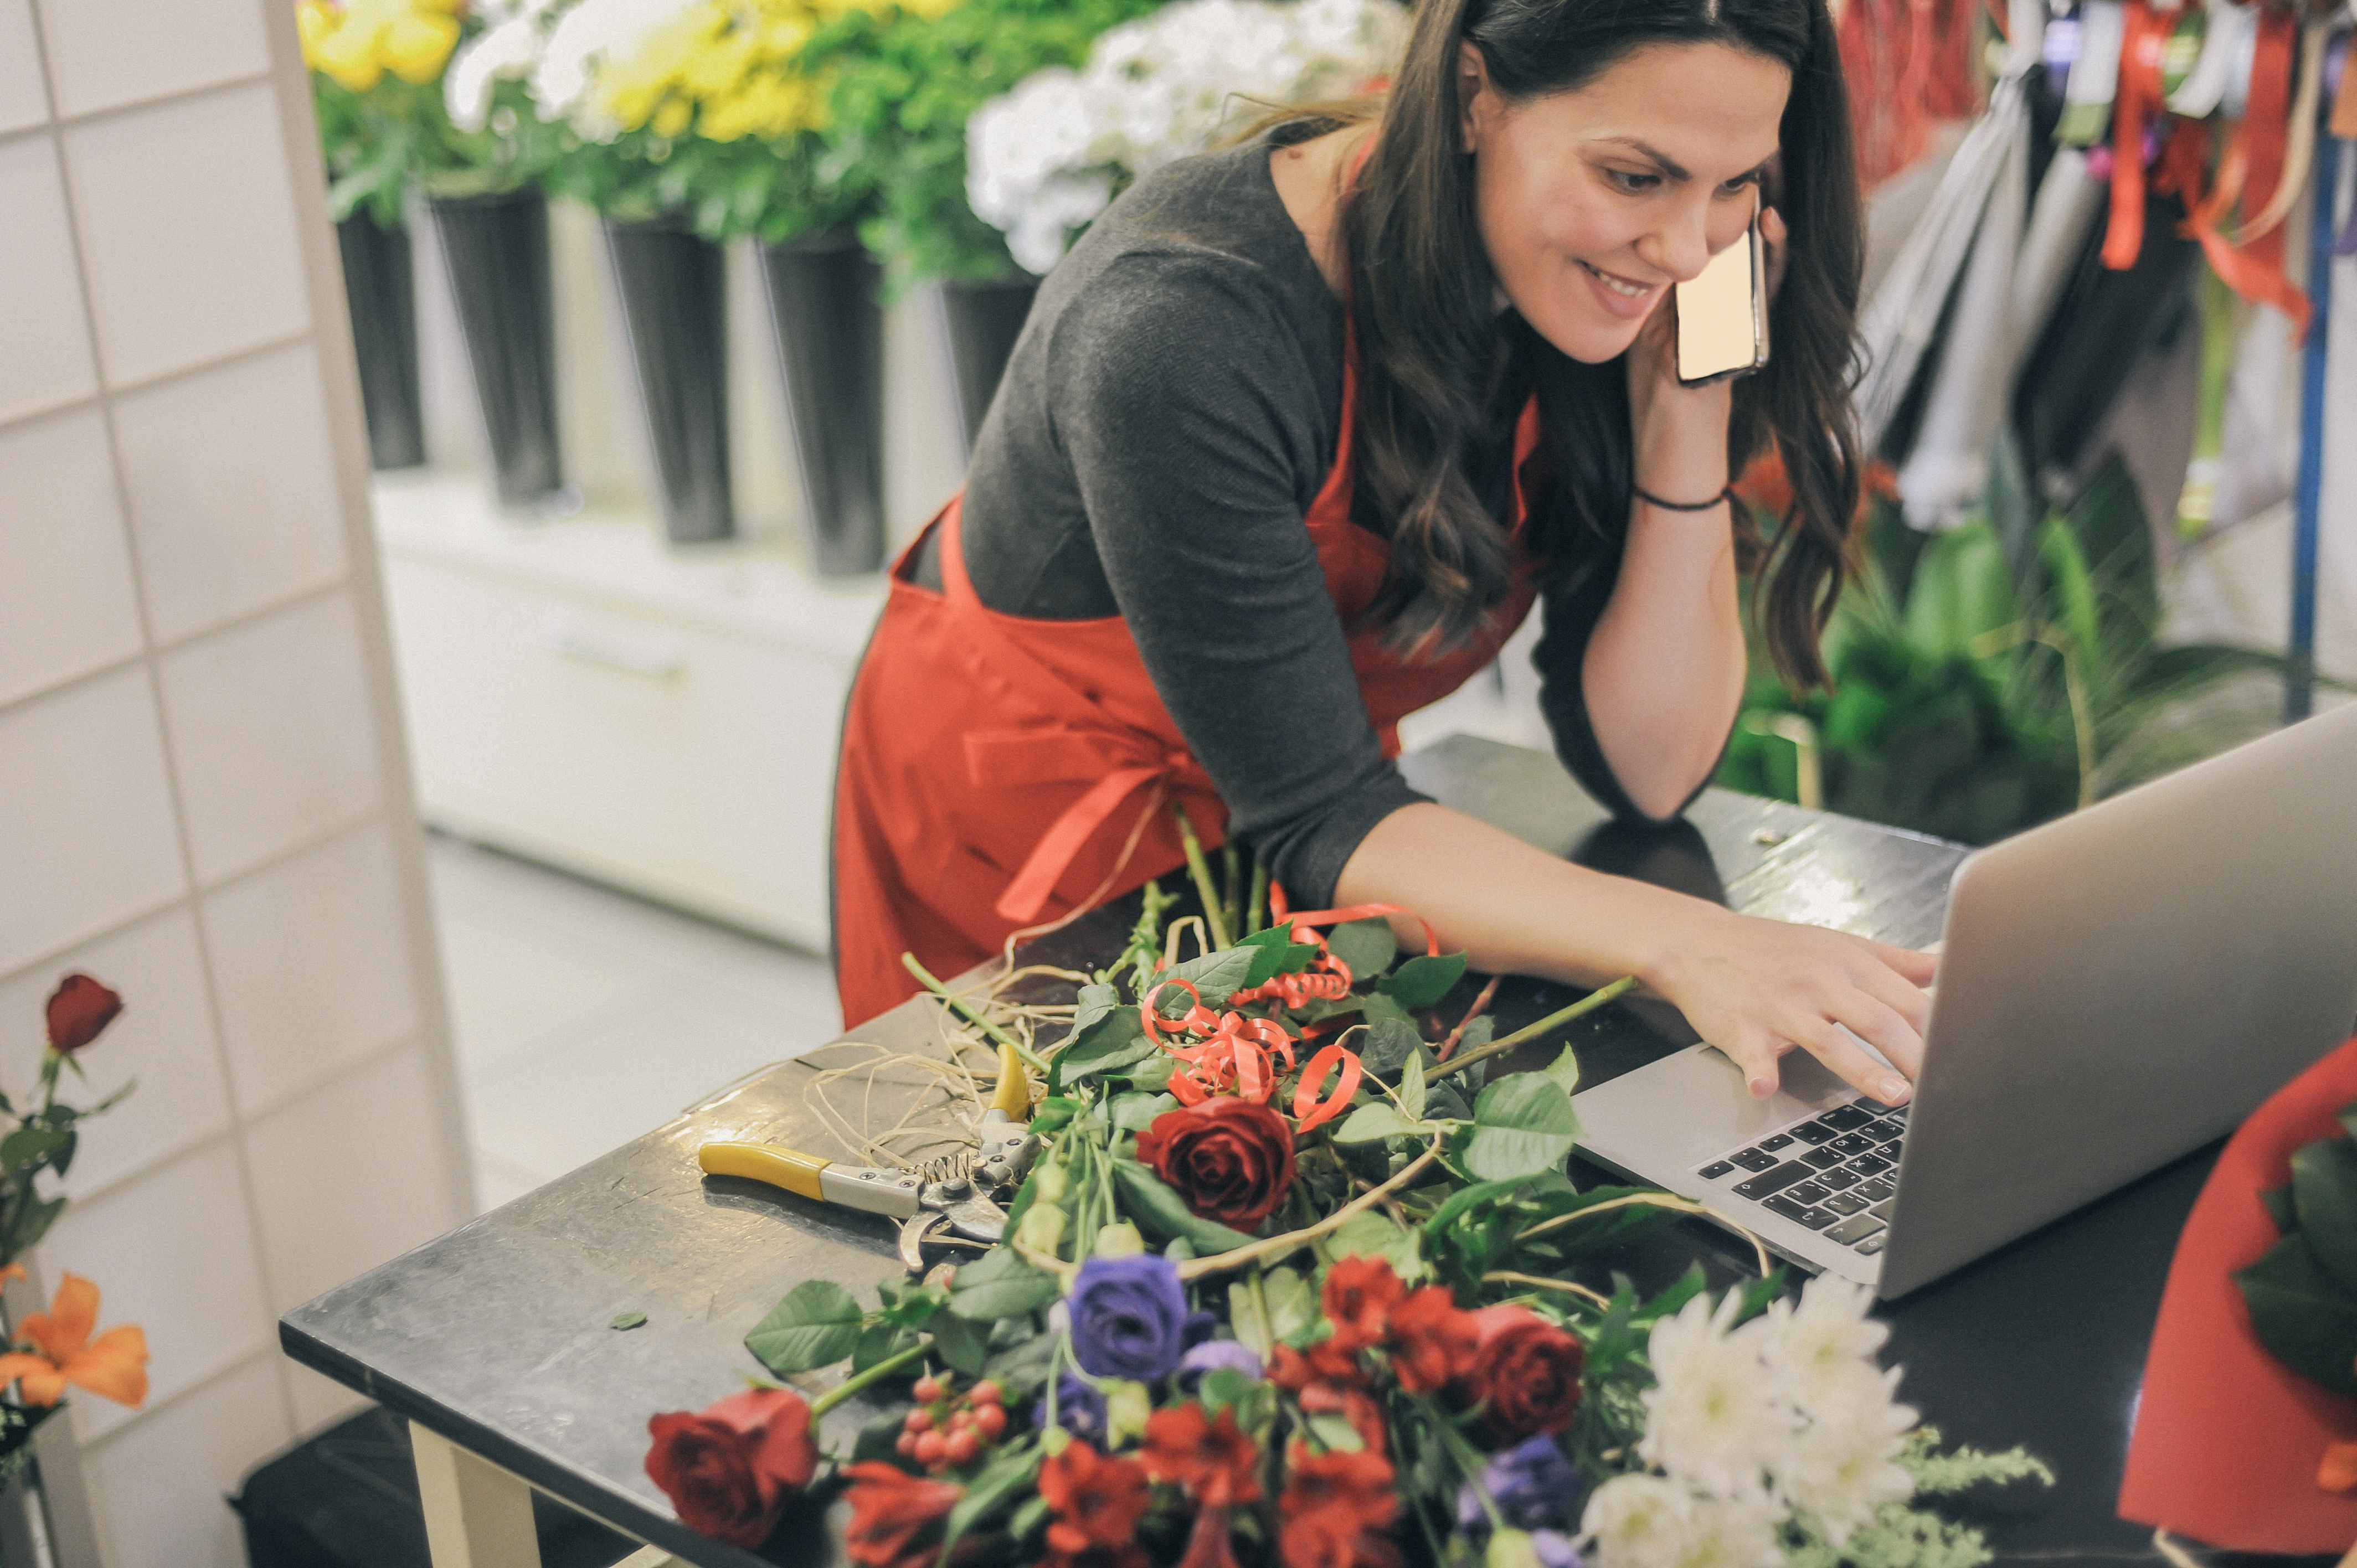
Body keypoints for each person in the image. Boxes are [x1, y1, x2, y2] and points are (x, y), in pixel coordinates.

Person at [833, 0, 1939, 1107]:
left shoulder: (1608, 284)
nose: (1690, 247)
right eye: (1636, 177)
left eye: (1737, 184)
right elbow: (1322, 812)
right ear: (1472, 96)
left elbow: (1648, 768)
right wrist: (1695, 946)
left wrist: (1687, 413)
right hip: (1031, 840)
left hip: (1316, 832)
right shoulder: (1178, 327)